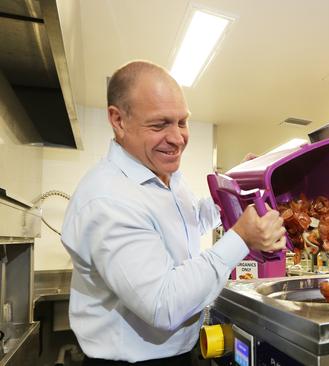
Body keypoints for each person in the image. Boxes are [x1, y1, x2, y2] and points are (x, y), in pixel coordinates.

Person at [61, 60, 286, 365]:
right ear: (118, 120)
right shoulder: (108, 199)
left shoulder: (164, 175)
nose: (178, 138)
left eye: (182, 122)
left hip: (182, 353)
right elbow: (163, 305)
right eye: (159, 124)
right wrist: (242, 238)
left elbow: (192, 219)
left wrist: (238, 187)